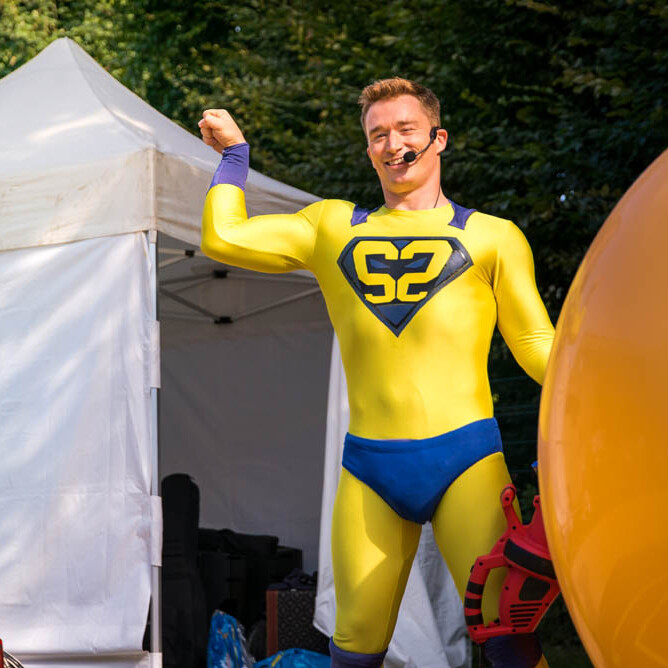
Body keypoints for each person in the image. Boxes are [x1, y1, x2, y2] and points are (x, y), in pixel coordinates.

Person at [199, 77, 554, 668]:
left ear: (439, 138)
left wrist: (601, 391)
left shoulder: (493, 237)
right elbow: (223, 237)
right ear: (368, 149)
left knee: (508, 636)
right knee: (356, 645)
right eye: (378, 134)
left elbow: (536, 342)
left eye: (406, 129)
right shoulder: (330, 227)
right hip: (371, 468)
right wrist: (235, 157)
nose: (393, 144)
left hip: (467, 459)